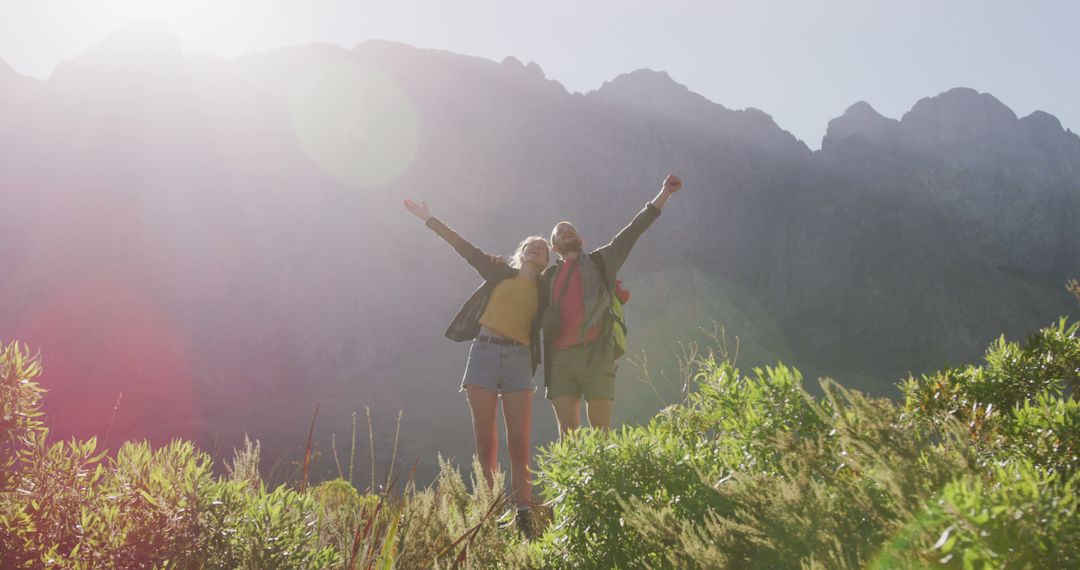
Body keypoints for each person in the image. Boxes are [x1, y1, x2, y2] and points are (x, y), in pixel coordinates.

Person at [403, 197, 548, 531]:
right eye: (531, 245)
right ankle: (491, 507)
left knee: (518, 442)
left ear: (546, 260)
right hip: (483, 353)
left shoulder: (546, 289)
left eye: (542, 248)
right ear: (521, 252)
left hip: (518, 360)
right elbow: (463, 247)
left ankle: (523, 511)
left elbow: (573, 293)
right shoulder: (498, 272)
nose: (536, 249)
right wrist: (428, 217)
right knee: (486, 442)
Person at [543, 174, 682, 435]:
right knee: (568, 433)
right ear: (553, 247)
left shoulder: (601, 261)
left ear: (581, 239)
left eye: (570, 228)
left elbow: (633, 231)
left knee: (601, 431)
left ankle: (604, 476)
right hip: (560, 359)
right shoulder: (547, 278)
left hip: (597, 353)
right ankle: (573, 478)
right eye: (559, 231)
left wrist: (664, 194)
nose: (566, 230)